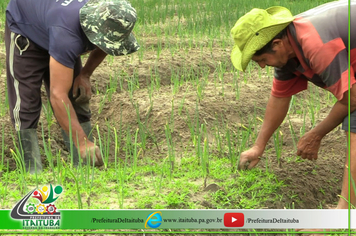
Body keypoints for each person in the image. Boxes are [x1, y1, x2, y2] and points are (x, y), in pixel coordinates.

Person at [230, 0, 356, 213]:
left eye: (261, 59)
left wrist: (316, 134)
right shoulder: (288, 53)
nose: (262, 66)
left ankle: (344, 215)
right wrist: (258, 146)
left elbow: (351, 98)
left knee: (353, 127)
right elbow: (279, 98)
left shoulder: (315, 43)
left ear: (277, 44)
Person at [5, 0, 140, 173]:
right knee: (26, 101)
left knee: (75, 95)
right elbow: (56, 96)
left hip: (54, 24)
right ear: (94, 30)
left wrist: (85, 74)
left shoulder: (103, 18)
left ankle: (83, 166)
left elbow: (107, 44)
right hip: (26, 29)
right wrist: (82, 142)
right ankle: (32, 171)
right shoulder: (67, 37)